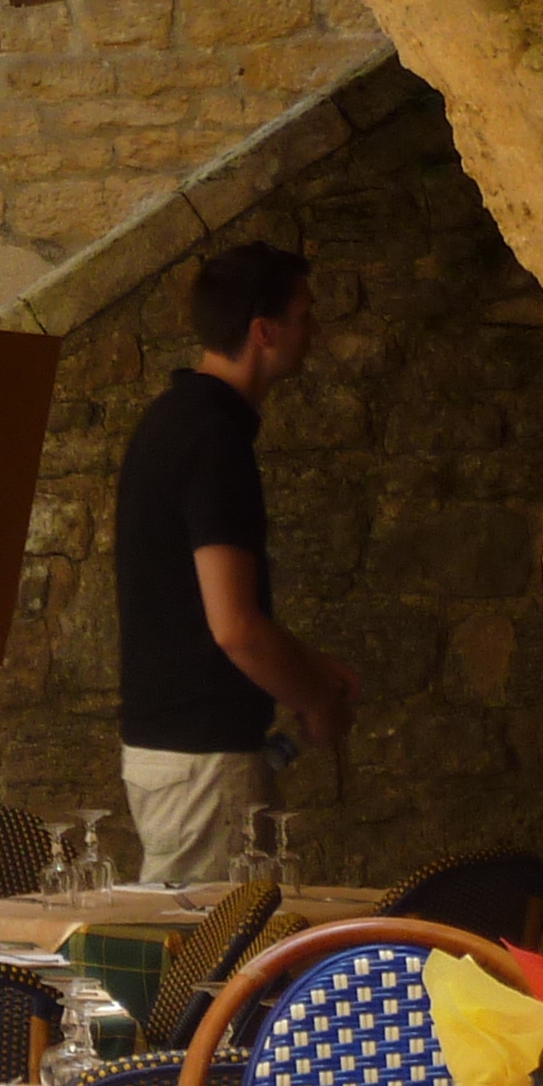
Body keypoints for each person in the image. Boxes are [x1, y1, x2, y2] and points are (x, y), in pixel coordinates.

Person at [114, 240, 357, 880]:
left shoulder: (176, 419)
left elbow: (202, 610)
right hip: (203, 766)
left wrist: (308, 666)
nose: (315, 329)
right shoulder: (213, 438)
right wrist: (313, 699)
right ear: (264, 331)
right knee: (211, 973)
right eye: (306, 313)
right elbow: (235, 628)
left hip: (183, 756)